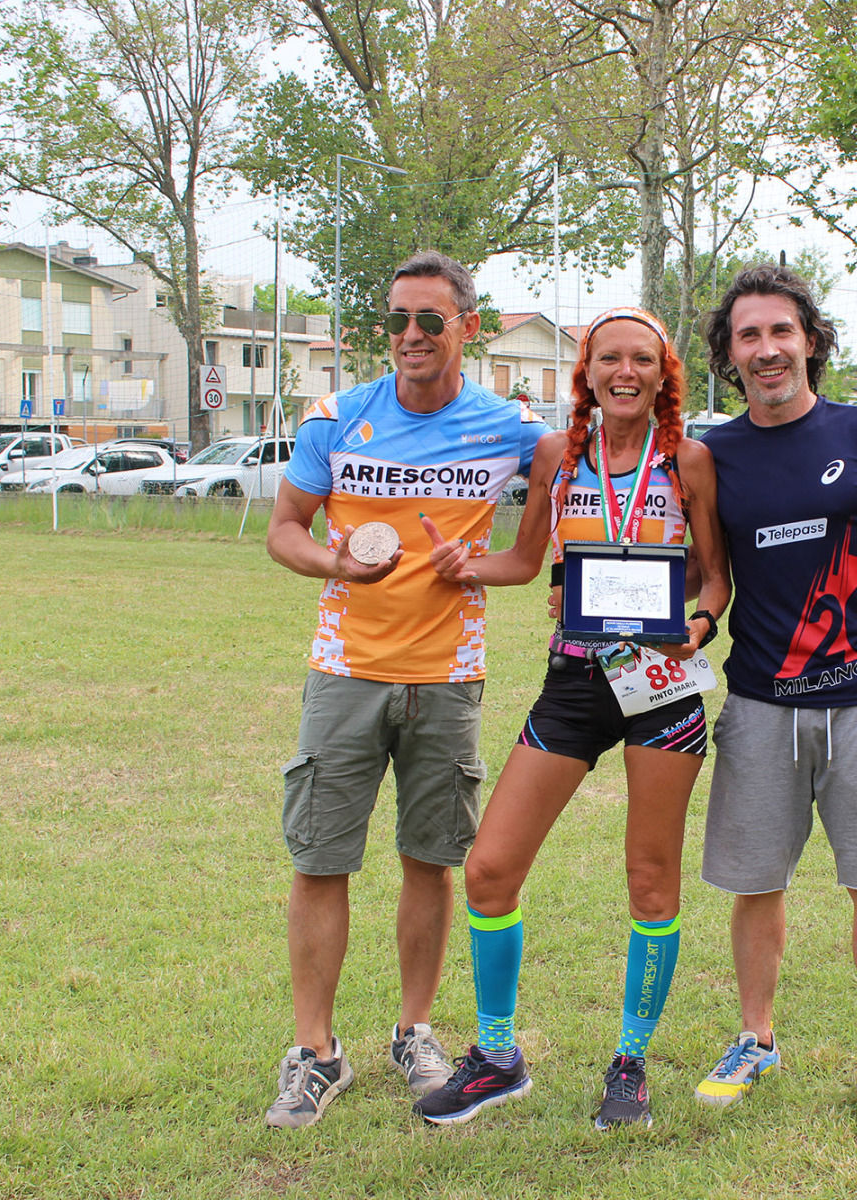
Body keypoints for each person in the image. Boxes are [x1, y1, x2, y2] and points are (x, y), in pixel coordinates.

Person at [413, 306, 729, 1129]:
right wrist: (464, 565)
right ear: (585, 371)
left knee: (650, 879)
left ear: (663, 375)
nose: (625, 373)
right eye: (608, 359)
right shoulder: (559, 454)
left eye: (642, 360)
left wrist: (697, 628)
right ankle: (497, 1056)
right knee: (489, 869)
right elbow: (524, 561)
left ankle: (630, 1063)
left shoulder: (689, 460)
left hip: (661, 682)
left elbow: (716, 580)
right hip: (576, 681)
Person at [261, 250, 552, 1128]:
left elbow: (533, 550)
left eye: (430, 320)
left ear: (469, 326)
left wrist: (481, 566)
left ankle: (414, 1031)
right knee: (321, 860)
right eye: (397, 320)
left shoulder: (512, 428)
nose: (411, 336)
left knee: (431, 860)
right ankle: (315, 1053)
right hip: (344, 673)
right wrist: (335, 563)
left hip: (447, 680)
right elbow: (284, 530)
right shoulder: (338, 418)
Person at [691, 264, 857, 1136]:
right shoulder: (712, 455)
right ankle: (755, 1039)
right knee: (755, 883)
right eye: (748, 336)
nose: (767, 350)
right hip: (761, 704)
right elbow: (710, 575)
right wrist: (683, 619)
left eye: (781, 331)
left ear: (810, 341)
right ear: (729, 355)